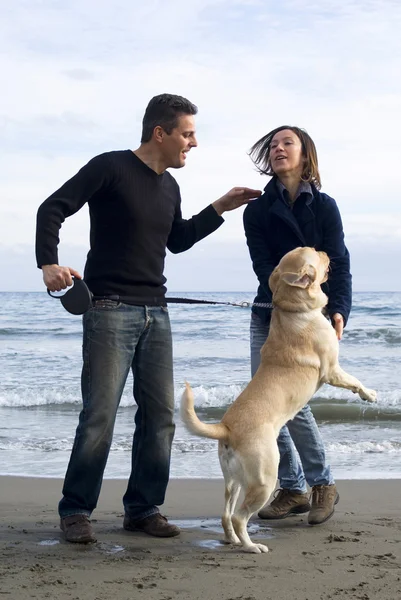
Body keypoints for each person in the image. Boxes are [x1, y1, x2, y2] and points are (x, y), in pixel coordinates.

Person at [35, 93, 261, 544]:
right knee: (99, 415)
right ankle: (76, 510)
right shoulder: (110, 167)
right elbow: (53, 207)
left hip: (156, 313)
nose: (193, 143)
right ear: (161, 132)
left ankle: (142, 509)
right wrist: (48, 263)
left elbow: (176, 240)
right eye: (188, 133)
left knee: (160, 416)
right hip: (108, 310)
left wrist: (219, 208)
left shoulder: (170, 187)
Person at [243, 125, 352, 526]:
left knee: (296, 403)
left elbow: (338, 261)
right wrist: (282, 300)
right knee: (271, 402)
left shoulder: (325, 206)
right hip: (270, 315)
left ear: (305, 154)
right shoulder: (256, 211)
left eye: (287, 143)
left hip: (313, 319)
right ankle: (295, 486)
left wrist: (339, 308)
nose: (278, 149)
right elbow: (263, 267)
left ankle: (318, 484)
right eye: (272, 145)